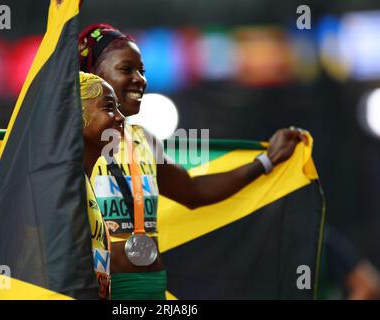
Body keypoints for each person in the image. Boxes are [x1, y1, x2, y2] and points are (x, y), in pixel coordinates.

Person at [78, 23, 309, 300]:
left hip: (152, 287)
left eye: (142, 71)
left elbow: (193, 191)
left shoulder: (143, 140)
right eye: (127, 69)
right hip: (104, 290)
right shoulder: (71, 145)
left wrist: (266, 162)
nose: (140, 79)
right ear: (92, 75)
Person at [0, 72, 125, 299]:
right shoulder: (54, 173)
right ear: (71, 115)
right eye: (109, 107)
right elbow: (2, 224)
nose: (121, 117)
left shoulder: (77, 179)